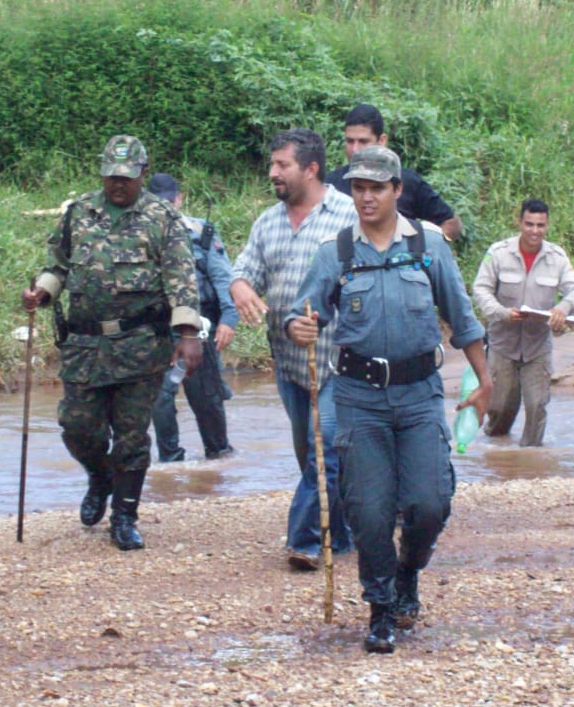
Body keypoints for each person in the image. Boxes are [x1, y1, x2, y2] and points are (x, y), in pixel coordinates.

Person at [285, 145, 492, 654]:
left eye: (377, 187)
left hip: (421, 395)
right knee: (370, 510)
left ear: (398, 191)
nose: (366, 197)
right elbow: (304, 312)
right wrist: (301, 327)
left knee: (429, 503)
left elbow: (463, 321)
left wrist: (486, 383)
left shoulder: (428, 246)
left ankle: (408, 574)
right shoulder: (337, 252)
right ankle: (380, 609)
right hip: (358, 397)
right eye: (358, 187)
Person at [21, 136, 202, 552]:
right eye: (111, 176)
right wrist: (43, 293)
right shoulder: (78, 213)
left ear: (142, 172)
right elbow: (58, 265)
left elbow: (181, 278)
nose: (117, 184)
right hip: (85, 344)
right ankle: (100, 476)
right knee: (77, 425)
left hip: (141, 344)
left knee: (132, 436)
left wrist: (188, 334)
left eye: (126, 176)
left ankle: (124, 515)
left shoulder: (162, 219)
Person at [230, 128, 357, 571]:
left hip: (338, 361)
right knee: (313, 456)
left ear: (311, 168)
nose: (273, 173)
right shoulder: (267, 222)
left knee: (324, 450)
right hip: (288, 364)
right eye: (273, 164)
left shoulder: (347, 215)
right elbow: (244, 269)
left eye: (282, 165)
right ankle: (339, 537)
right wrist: (241, 287)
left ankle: (302, 542)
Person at [471, 198, 574, 446]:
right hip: (503, 345)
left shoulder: (557, 257)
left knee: (536, 407)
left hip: (537, 346)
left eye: (540, 225)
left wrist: (562, 309)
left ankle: (531, 460)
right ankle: (497, 455)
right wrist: (501, 312)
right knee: (501, 409)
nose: (535, 231)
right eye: (530, 224)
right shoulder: (498, 253)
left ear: (547, 225)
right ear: (520, 222)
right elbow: (480, 290)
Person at [146, 172, 236, 462]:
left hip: (198, 326)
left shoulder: (201, 232)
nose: (165, 209)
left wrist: (228, 318)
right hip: (158, 330)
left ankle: (219, 455)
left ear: (179, 199)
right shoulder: (140, 233)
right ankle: (171, 462)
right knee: (160, 399)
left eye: (170, 202)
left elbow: (222, 277)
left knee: (206, 398)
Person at [326, 103, 463, 241]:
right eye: (350, 141)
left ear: (382, 140)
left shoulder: (407, 181)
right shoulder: (330, 186)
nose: (355, 149)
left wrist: (430, 250)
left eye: (363, 141)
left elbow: (451, 223)